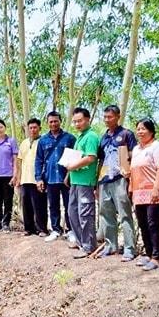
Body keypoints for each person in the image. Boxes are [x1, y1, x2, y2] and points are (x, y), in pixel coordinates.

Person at [97, 104, 137, 259]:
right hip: (104, 180)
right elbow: (101, 161)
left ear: (118, 117)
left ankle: (129, 248)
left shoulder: (127, 134)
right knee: (106, 214)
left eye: (110, 117)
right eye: (105, 117)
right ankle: (110, 245)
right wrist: (97, 183)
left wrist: (131, 181)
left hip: (120, 179)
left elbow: (133, 157)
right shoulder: (104, 137)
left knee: (125, 213)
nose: (107, 120)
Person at [130, 118, 159, 271]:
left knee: (153, 224)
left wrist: (156, 189)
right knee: (143, 224)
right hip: (138, 193)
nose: (140, 131)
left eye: (143, 129)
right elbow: (133, 170)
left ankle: (158, 257)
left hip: (153, 192)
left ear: (151, 131)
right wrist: (131, 188)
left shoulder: (157, 147)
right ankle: (149, 253)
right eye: (138, 129)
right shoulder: (137, 149)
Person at [62, 107, 99, 259]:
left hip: (86, 182)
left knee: (85, 214)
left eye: (80, 121)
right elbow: (75, 157)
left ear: (87, 119)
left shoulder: (91, 136)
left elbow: (91, 157)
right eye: (75, 121)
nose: (77, 124)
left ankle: (89, 246)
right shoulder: (79, 138)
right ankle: (80, 242)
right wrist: (68, 174)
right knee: (72, 212)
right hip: (75, 180)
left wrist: (73, 166)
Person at [35, 111, 76, 242]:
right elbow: (39, 160)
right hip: (50, 178)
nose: (53, 124)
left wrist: (70, 174)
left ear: (60, 121)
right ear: (47, 123)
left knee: (69, 204)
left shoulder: (69, 138)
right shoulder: (43, 140)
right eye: (51, 121)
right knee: (53, 205)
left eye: (55, 121)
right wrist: (39, 178)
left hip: (67, 178)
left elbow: (75, 157)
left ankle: (71, 230)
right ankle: (55, 229)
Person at [18, 118, 48, 237]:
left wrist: (41, 177)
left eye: (35, 127)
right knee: (26, 204)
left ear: (40, 128)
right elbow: (19, 160)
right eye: (30, 128)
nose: (33, 130)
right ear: (27, 129)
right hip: (25, 179)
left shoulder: (43, 141)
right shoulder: (24, 143)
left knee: (40, 204)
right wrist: (18, 177)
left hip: (38, 179)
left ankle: (42, 229)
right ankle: (28, 228)